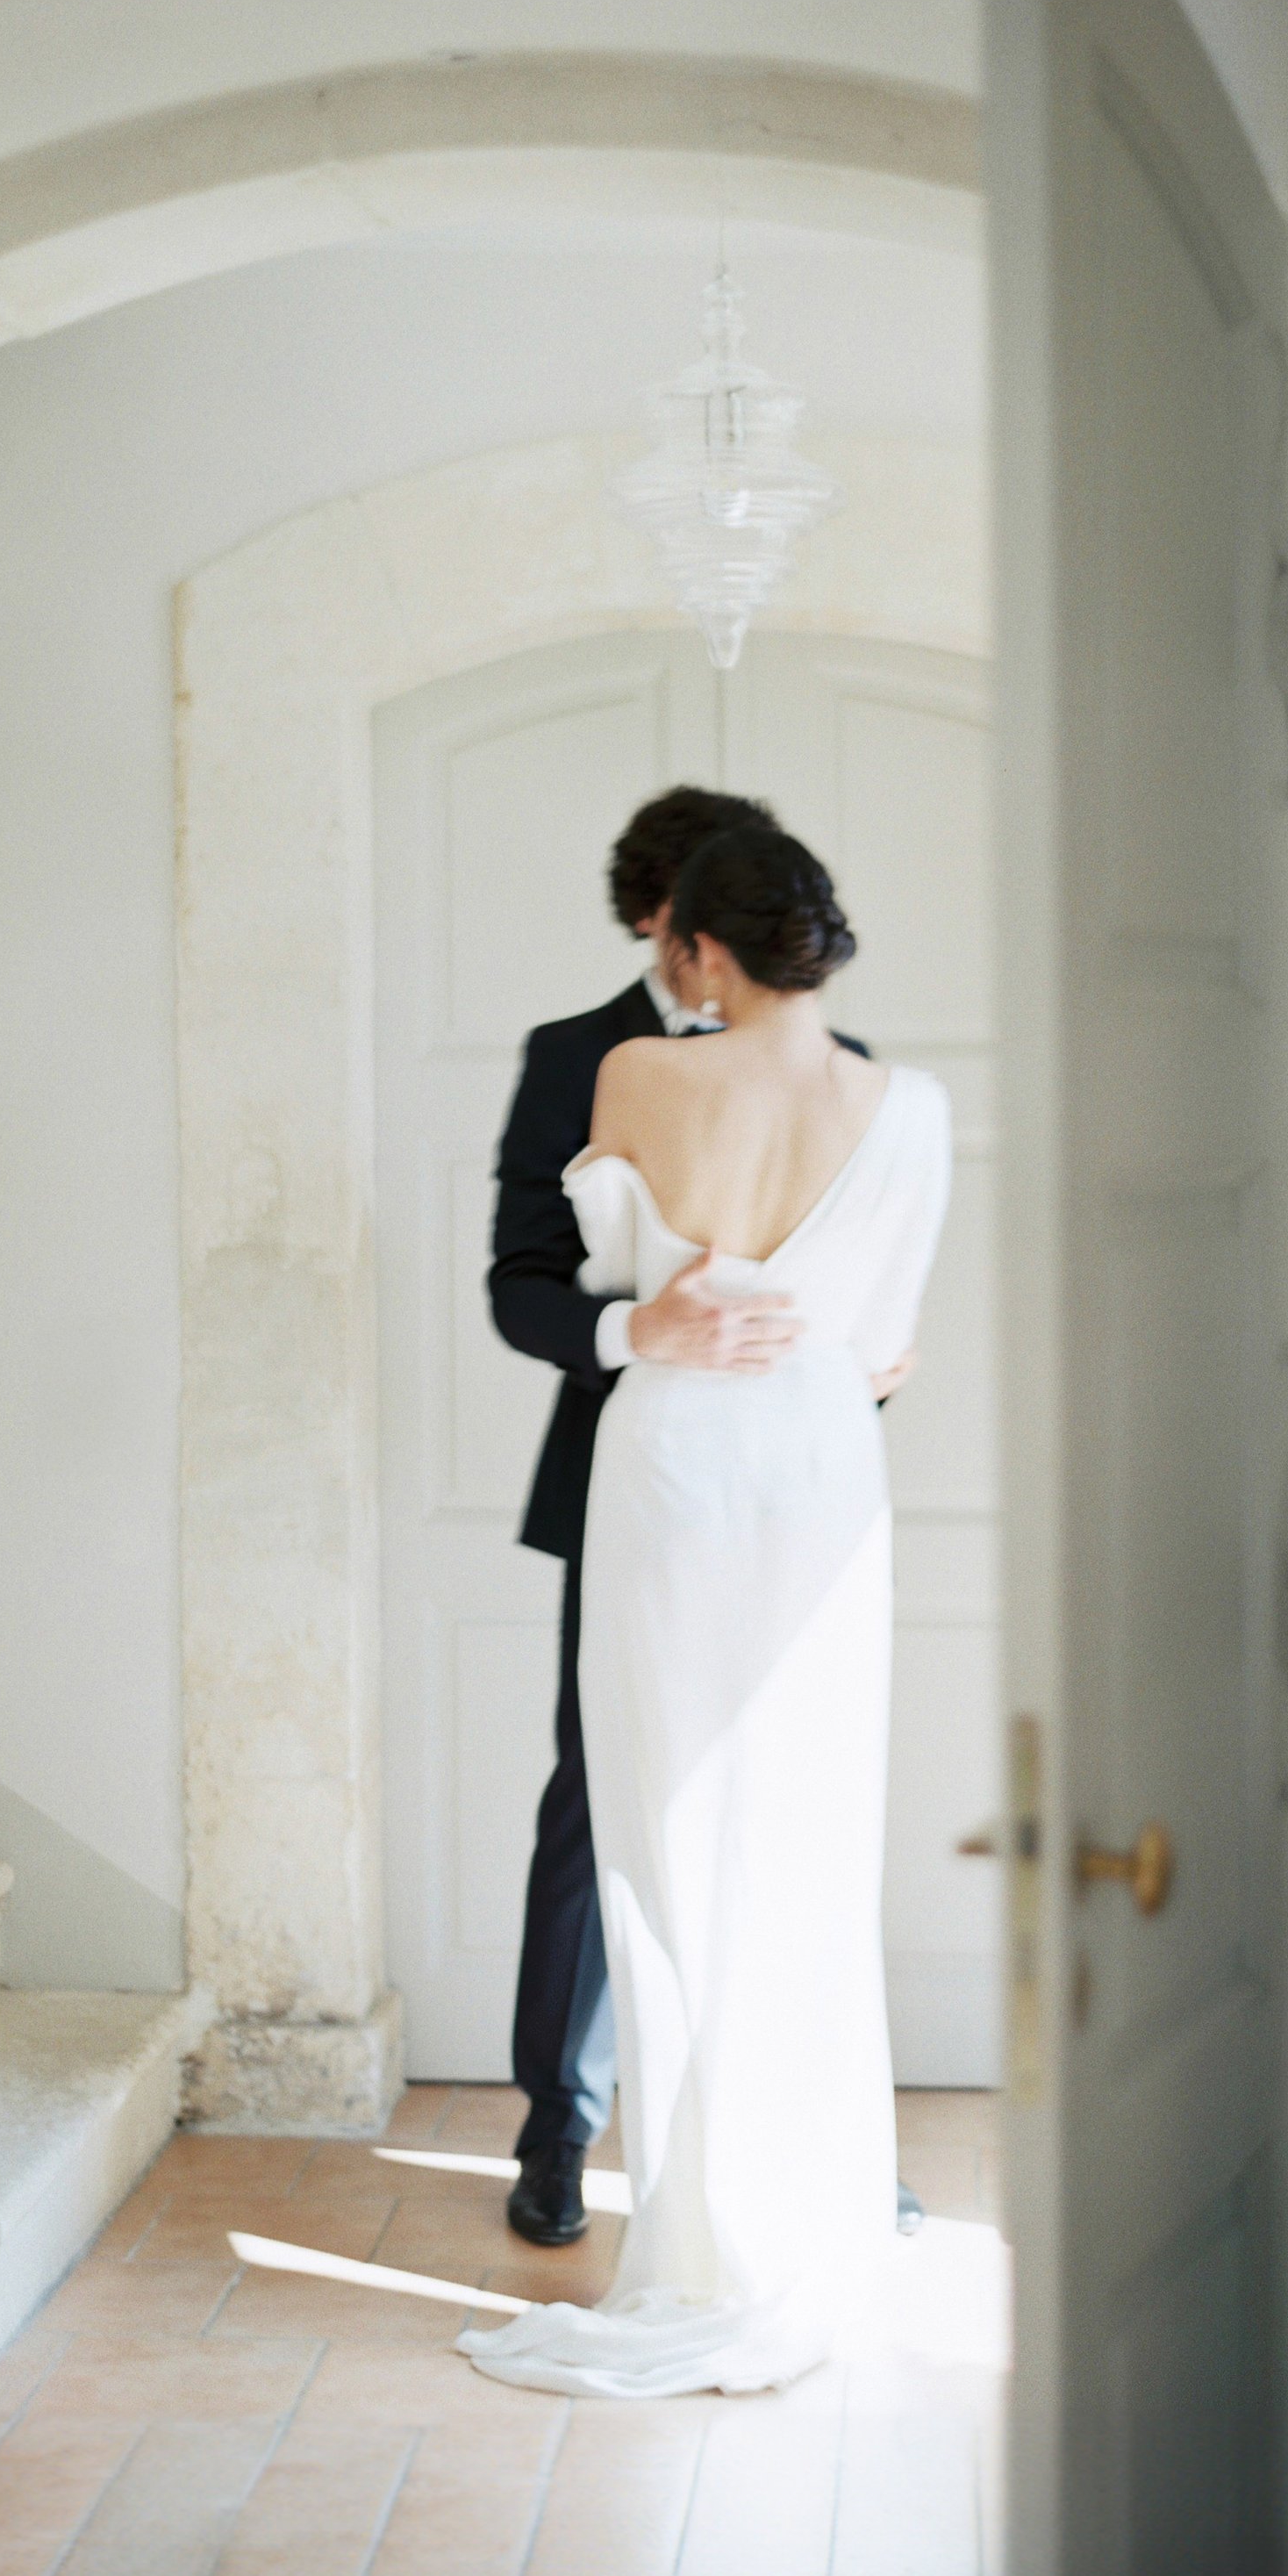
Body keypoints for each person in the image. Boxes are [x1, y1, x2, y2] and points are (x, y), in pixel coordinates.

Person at [466, 824, 951, 2398]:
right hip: (812, 1469)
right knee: (700, 1815)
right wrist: (651, 1326)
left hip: (678, 1466)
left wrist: (682, 1313)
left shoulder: (637, 1083)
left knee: (682, 1836)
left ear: (693, 941)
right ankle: (589, 2139)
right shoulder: (907, 1102)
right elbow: (546, 1286)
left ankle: (730, 2207)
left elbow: (644, 1237)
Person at [487, 785, 802, 2247]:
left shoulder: (837, 1063)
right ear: (657, 924)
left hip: (786, 1496)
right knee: (594, 1802)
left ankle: (812, 2132)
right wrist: (639, 1338)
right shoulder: (571, 1055)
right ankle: (558, 2130)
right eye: (708, 920)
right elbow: (520, 1288)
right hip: (621, 1478)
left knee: (782, 1800)